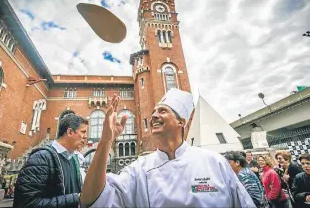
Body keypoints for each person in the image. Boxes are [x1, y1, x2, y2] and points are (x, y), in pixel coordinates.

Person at [80, 89, 256, 208]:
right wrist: (106, 140)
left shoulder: (215, 162)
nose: (154, 115)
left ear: (181, 122)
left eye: (163, 111)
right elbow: (93, 200)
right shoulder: (138, 170)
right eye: (154, 112)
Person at [13, 114, 88, 208]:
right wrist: (75, 198)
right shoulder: (41, 158)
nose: (85, 137)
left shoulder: (74, 160)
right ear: (69, 132)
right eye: (83, 132)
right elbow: (27, 203)